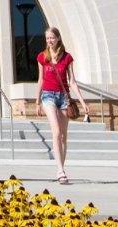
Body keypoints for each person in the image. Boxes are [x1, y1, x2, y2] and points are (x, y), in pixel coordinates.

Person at [35, 27, 89, 184]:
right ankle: (60, 170)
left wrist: (82, 101)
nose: (49, 41)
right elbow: (41, 80)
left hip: (64, 97)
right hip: (48, 96)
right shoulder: (42, 57)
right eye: (47, 38)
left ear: (58, 38)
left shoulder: (67, 58)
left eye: (52, 38)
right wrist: (37, 101)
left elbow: (72, 82)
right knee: (56, 131)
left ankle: (61, 167)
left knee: (64, 136)